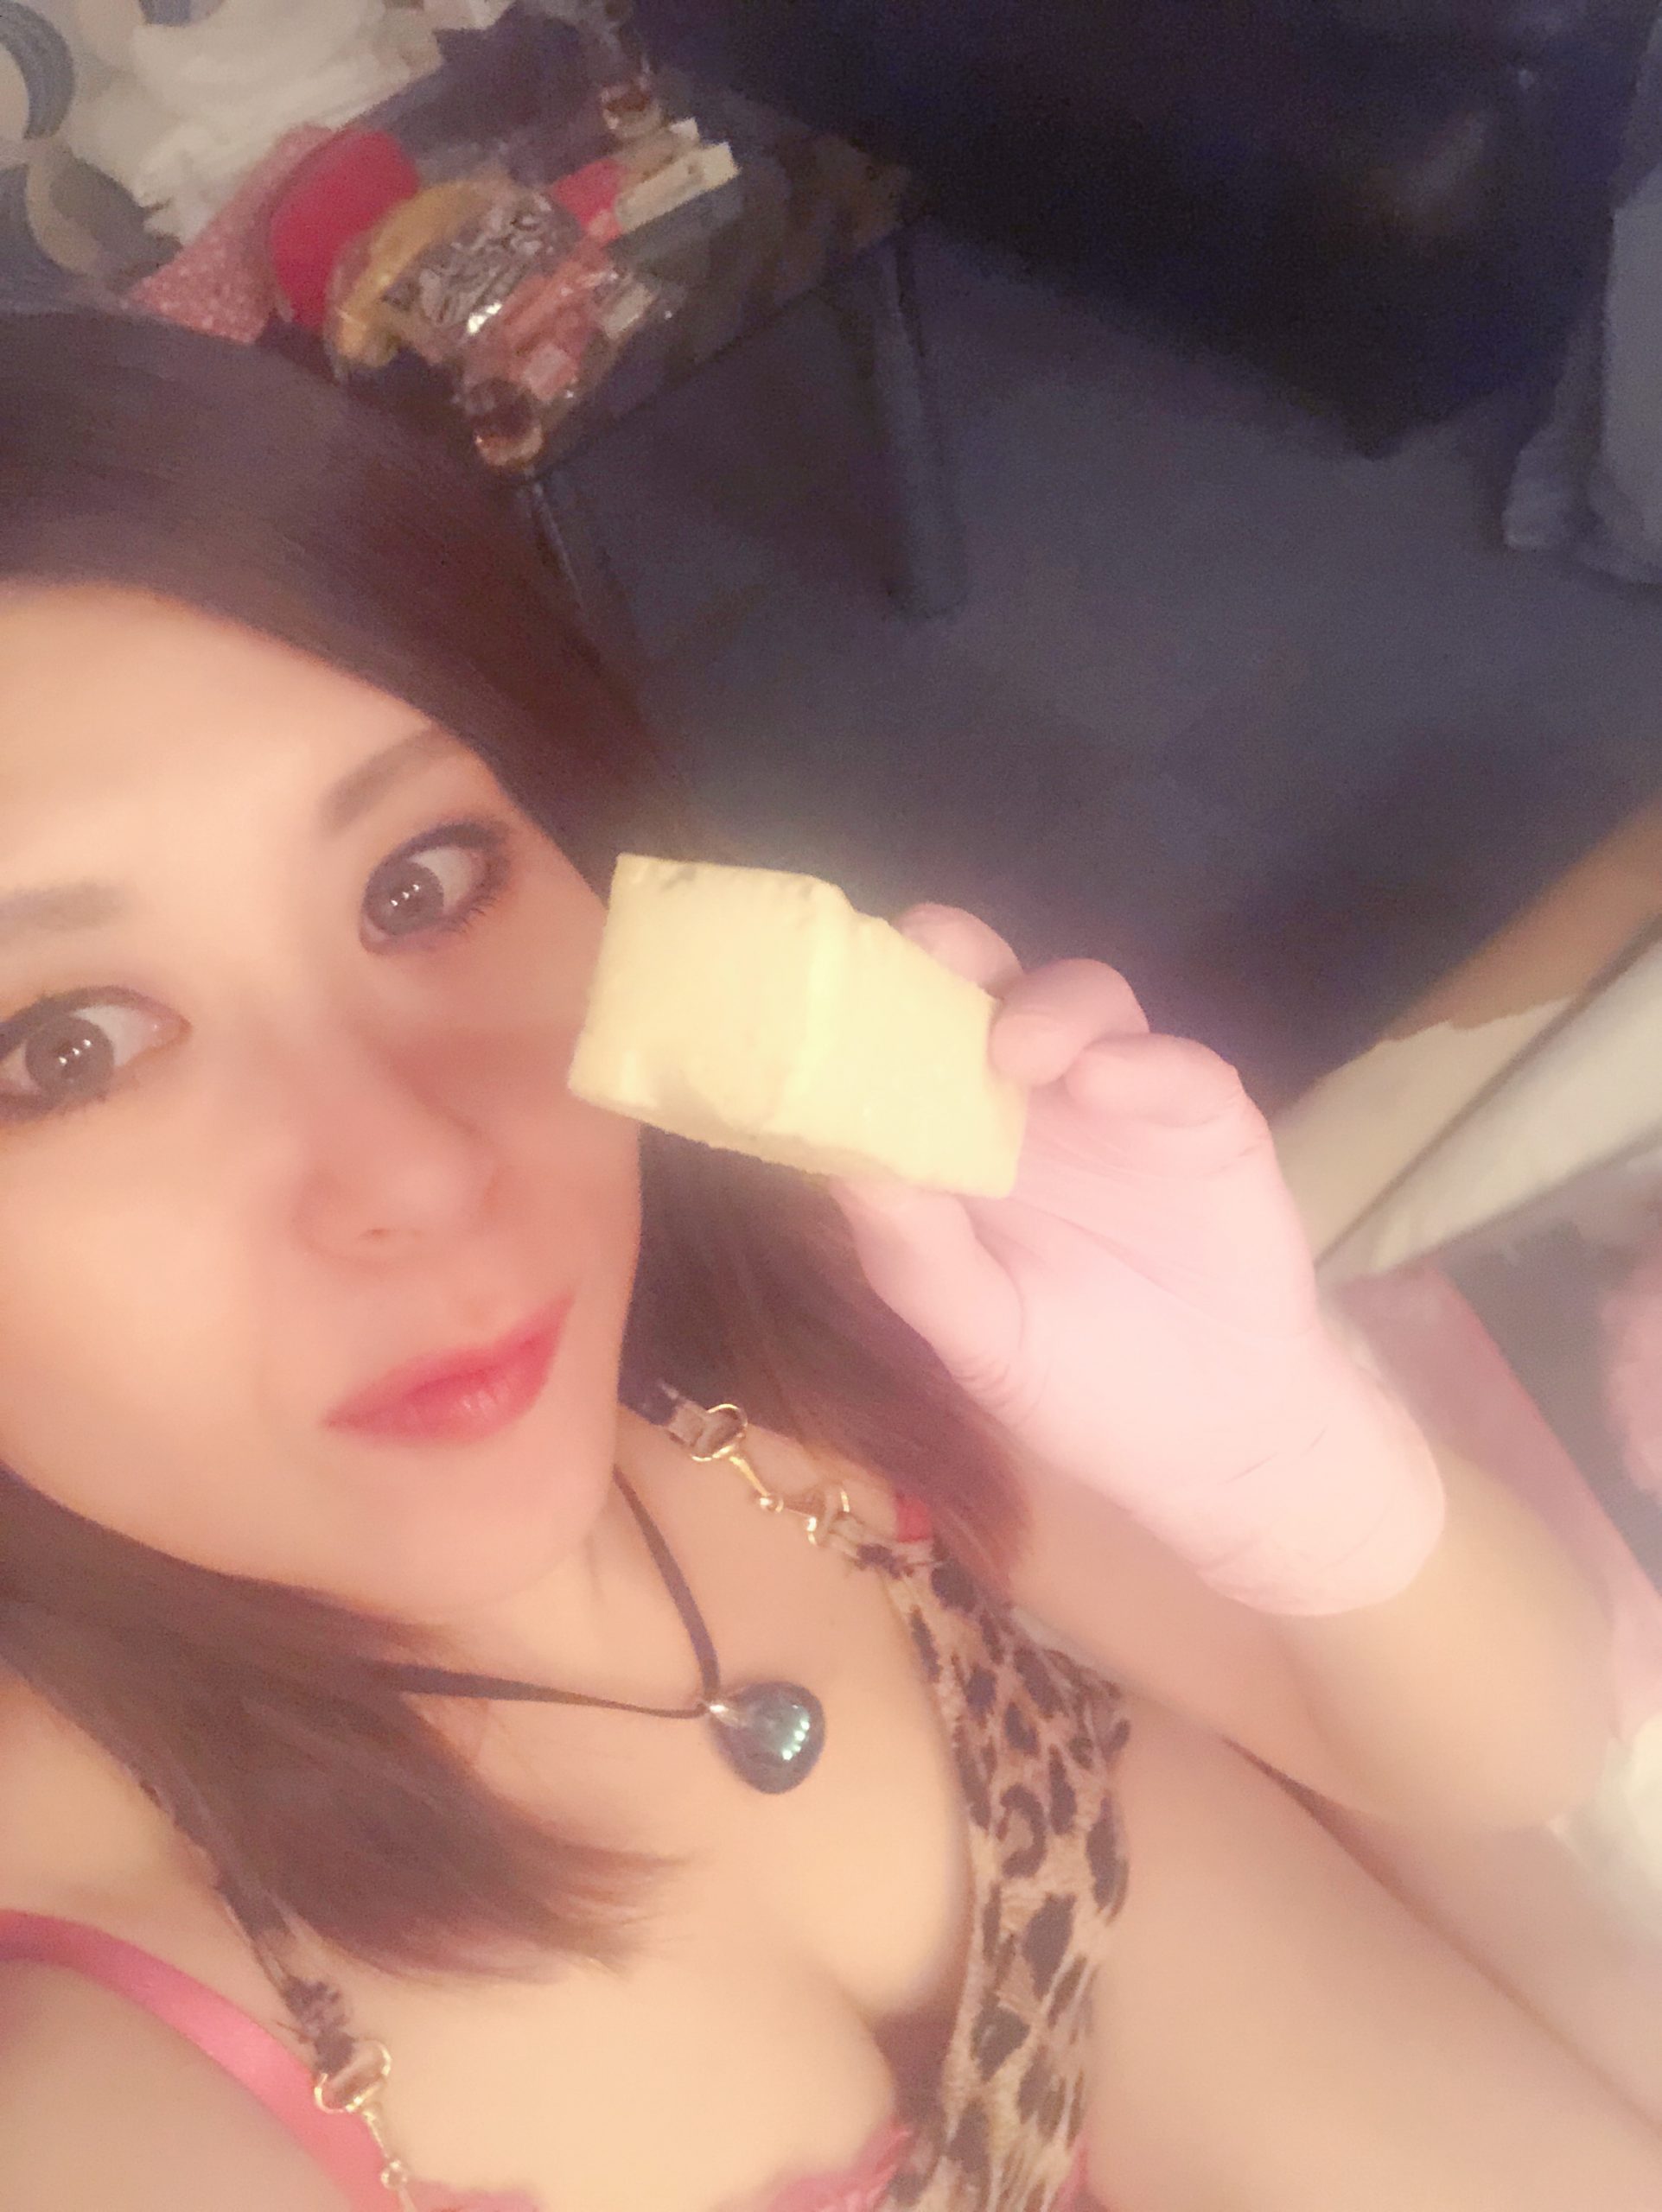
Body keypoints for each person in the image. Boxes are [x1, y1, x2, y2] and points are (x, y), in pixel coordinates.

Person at [0, 308, 1657, 2212]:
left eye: (418, 883)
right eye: (64, 1048)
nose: (424, 1167)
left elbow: (1517, 1741)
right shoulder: (93, 2058)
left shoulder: (796, 1354)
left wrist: (1298, 1467)